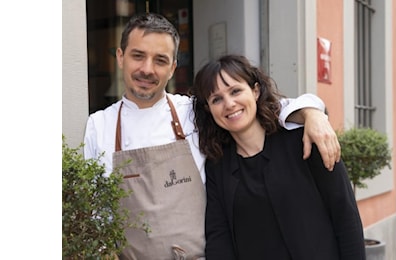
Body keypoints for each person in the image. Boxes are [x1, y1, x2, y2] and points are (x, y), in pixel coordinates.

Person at [83, 13, 340, 259]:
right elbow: (96, 215)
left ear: (172, 68)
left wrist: (311, 113)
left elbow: (263, 109)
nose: (147, 69)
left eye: (160, 60)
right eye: (138, 56)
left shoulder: (194, 111)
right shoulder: (99, 125)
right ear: (120, 57)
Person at [190, 54, 365, 260]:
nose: (229, 104)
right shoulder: (216, 166)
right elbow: (220, 238)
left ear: (255, 91)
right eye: (216, 99)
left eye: (235, 91)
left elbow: (346, 217)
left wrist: (312, 113)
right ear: (208, 109)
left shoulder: (305, 141)